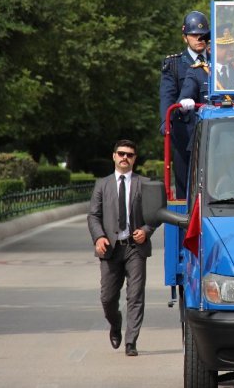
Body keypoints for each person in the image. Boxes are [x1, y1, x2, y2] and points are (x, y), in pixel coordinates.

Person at [87, 140, 159, 356]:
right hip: (110, 248)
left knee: (135, 295)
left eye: (129, 154)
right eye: (121, 153)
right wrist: (99, 237)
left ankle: (131, 341)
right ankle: (116, 324)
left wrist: (146, 229)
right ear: (114, 156)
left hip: (135, 248)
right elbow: (93, 215)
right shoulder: (102, 184)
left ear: (135, 159)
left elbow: (155, 213)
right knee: (107, 298)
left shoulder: (144, 183)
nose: (125, 157)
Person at [159, 11, 210, 198]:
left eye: (203, 35)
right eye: (194, 35)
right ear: (185, 38)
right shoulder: (173, 64)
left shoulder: (216, 62)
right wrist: (166, 122)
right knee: (184, 188)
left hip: (213, 132)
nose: (199, 39)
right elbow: (167, 95)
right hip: (185, 133)